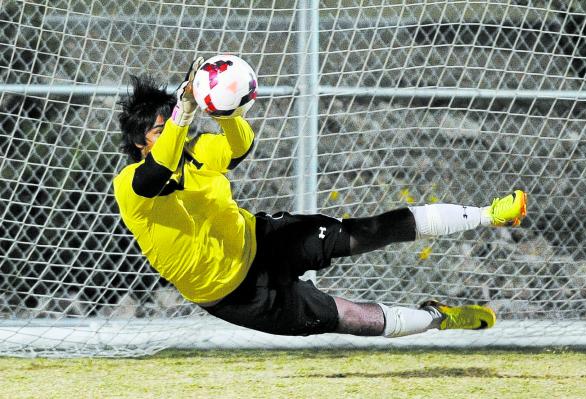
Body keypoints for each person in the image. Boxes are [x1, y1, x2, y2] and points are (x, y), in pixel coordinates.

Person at [113, 57, 528, 338]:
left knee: (364, 232)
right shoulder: (132, 186)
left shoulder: (199, 152)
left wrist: (229, 114)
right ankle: (439, 318)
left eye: (171, 121)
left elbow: (240, 147)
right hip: (234, 294)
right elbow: (158, 173)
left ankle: (489, 214)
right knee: (349, 317)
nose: (172, 130)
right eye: (160, 127)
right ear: (140, 141)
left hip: (261, 239)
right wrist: (184, 109)